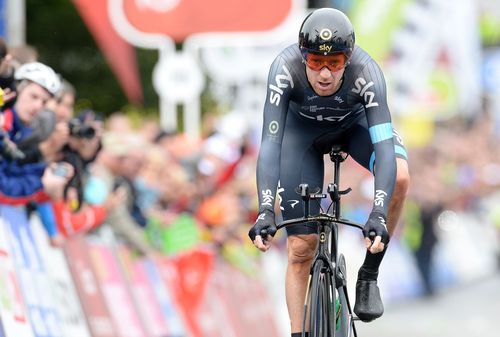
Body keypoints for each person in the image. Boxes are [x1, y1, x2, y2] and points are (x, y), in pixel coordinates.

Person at [247, 7, 410, 335]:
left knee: (402, 176)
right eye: (315, 62)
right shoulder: (283, 69)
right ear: (303, 56)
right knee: (300, 247)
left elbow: (383, 148)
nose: (325, 74)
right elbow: (270, 145)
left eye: (334, 63)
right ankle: (298, 332)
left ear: (347, 59)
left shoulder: (367, 73)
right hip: (300, 136)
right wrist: (265, 209)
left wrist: (378, 212)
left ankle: (369, 275)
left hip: (355, 128)